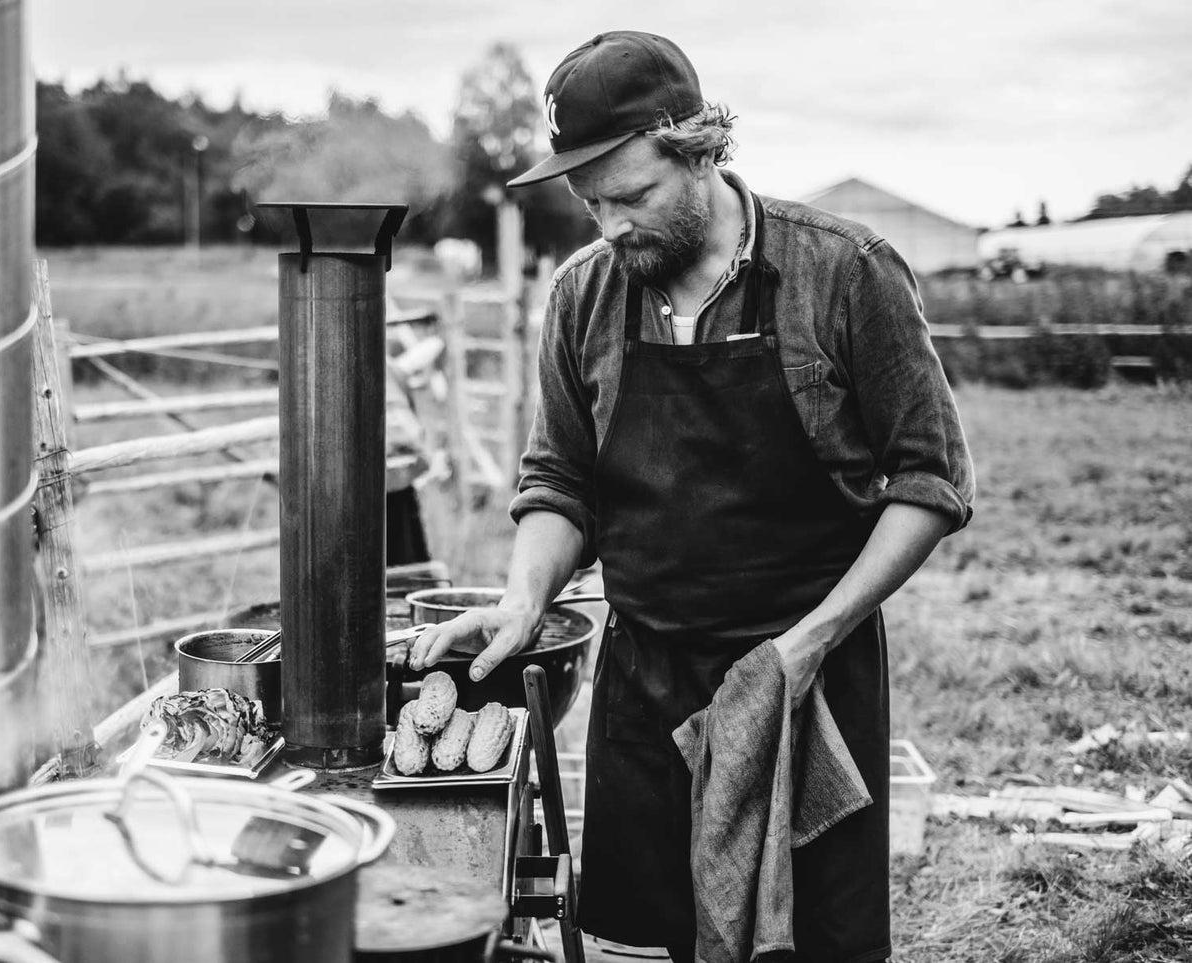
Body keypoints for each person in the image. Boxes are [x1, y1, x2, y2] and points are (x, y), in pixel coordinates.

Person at [409, 30, 974, 963]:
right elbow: (559, 479)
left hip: (807, 676)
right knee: (666, 940)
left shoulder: (842, 271)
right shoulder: (583, 294)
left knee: (816, 946)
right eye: (591, 205)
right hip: (647, 682)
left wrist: (808, 643)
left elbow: (929, 480)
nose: (611, 226)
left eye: (632, 197)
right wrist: (521, 599)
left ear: (700, 148)